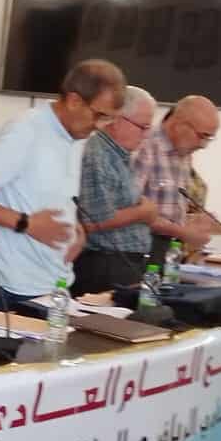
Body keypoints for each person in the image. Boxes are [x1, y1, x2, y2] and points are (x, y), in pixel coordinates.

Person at [0, 60, 126, 311]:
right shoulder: (26, 129)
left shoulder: (77, 136)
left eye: (109, 119)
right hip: (10, 287)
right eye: (99, 115)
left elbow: (47, 196)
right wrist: (26, 223)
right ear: (74, 101)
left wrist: (76, 228)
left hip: (54, 285)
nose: (100, 126)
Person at [73, 85, 159, 294]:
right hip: (105, 266)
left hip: (122, 264)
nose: (147, 135)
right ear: (117, 120)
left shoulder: (119, 155)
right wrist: (143, 212)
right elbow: (93, 220)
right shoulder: (97, 155)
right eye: (143, 127)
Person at [131, 94, 220, 259]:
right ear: (179, 125)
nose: (203, 145)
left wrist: (192, 221)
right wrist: (183, 232)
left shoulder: (184, 152)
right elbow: (131, 211)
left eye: (209, 138)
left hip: (169, 251)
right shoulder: (143, 147)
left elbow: (167, 210)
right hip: (140, 250)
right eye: (202, 136)